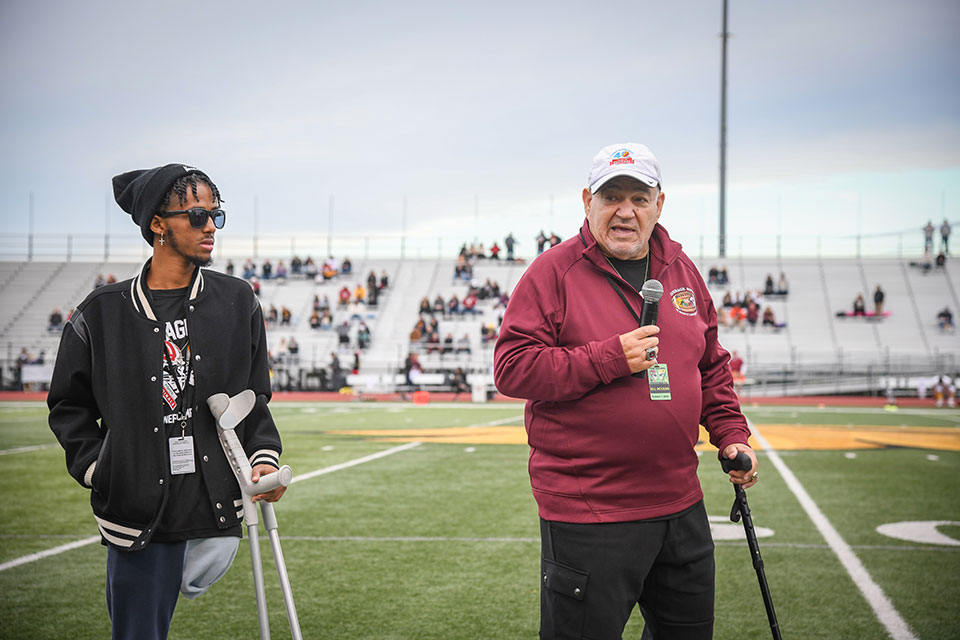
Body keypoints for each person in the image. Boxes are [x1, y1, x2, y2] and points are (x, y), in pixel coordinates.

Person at [493, 143, 757, 639]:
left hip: (682, 505)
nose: (626, 211)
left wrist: (731, 434)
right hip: (591, 512)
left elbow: (711, 366)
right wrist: (609, 357)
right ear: (587, 201)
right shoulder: (551, 273)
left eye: (639, 196)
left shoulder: (683, 271)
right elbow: (512, 368)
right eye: (612, 196)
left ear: (660, 204)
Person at [47, 164, 285, 640]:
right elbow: (68, 404)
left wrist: (262, 460)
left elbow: (254, 397)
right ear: (158, 223)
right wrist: (99, 468)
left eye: (216, 215)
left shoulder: (238, 300)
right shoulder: (102, 311)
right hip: (138, 509)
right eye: (197, 216)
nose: (211, 227)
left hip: (214, 501)